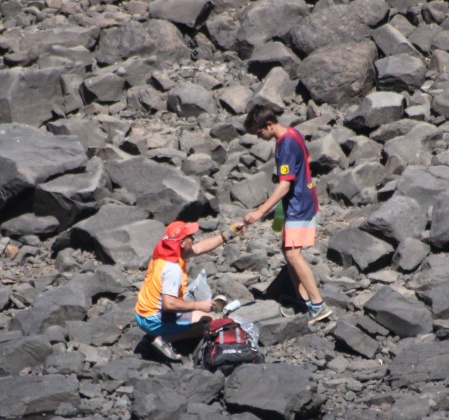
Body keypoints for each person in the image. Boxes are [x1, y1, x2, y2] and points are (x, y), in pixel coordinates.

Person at [243, 104, 333, 323]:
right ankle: (303, 302)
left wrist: (260, 211)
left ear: (269, 124)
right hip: (305, 197)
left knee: (293, 254)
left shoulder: (284, 144)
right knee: (288, 251)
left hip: (298, 203)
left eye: (259, 132)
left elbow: (284, 185)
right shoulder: (294, 132)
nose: (260, 136)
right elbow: (308, 160)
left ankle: (318, 305)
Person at [134, 219, 240, 362]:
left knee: (196, 310)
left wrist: (229, 233)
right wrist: (199, 305)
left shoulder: (164, 250)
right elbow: (169, 305)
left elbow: (199, 248)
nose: (193, 238)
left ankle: (159, 335)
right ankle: (161, 338)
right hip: (154, 320)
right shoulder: (172, 268)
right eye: (190, 236)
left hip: (142, 313)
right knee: (209, 320)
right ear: (182, 243)